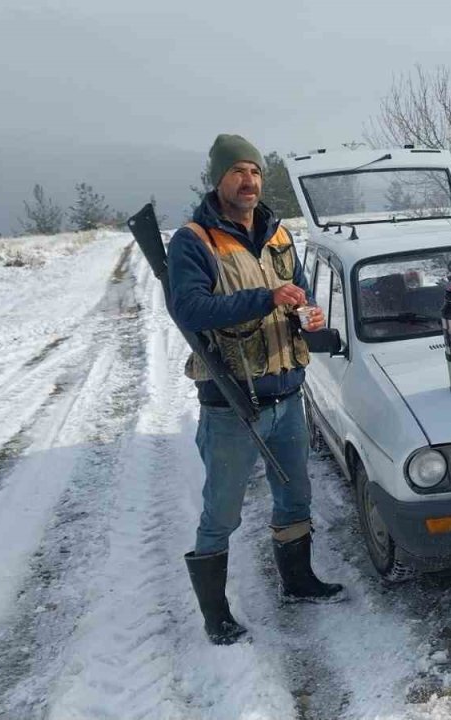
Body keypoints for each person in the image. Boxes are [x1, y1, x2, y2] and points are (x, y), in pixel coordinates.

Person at [168, 133, 345, 645]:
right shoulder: (194, 240)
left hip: (287, 393)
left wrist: (306, 312)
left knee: (294, 495)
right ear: (217, 179)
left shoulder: (278, 235)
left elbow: (300, 291)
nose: (248, 181)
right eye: (237, 171)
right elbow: (189, 310)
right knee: (221, 510)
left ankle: (298, 581)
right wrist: (265, 297)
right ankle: (216, 615)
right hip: (231, 403)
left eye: (255, 171)